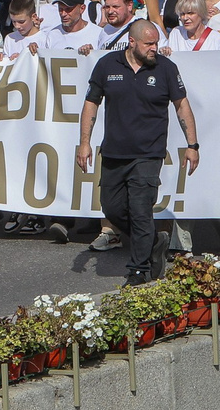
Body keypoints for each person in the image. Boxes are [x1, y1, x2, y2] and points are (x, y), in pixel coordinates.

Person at [77, 17, 199, 284]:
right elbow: (91, 104)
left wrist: (192, 145)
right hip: (113, 153)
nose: (154, 48)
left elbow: (182, 106)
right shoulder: (107, 65)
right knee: (113, 208)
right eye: (149, 43)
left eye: (156, 42)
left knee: (141, 209)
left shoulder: (166, 69)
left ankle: (139, 270)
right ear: (131, 42)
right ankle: (154, 240)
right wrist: (84, 142)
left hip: (148, 153)